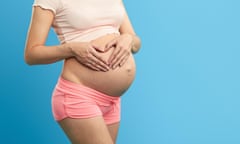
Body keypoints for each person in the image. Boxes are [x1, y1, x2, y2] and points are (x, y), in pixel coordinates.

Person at [24, 0, 141, 143]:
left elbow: (135, 42)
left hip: (112, 100)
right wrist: (71, 49)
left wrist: (129, 39)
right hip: (79, 95)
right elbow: (31, 54)